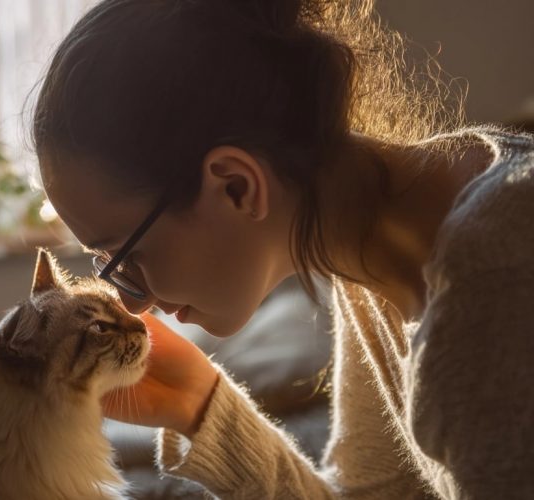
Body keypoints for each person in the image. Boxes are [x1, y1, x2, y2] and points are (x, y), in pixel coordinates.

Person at [31, 0, 534, 498]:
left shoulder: (495, 280)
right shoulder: (366, 253)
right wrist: (200, 405)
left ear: (237, 187)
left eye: (126, 258)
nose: (134, 302)